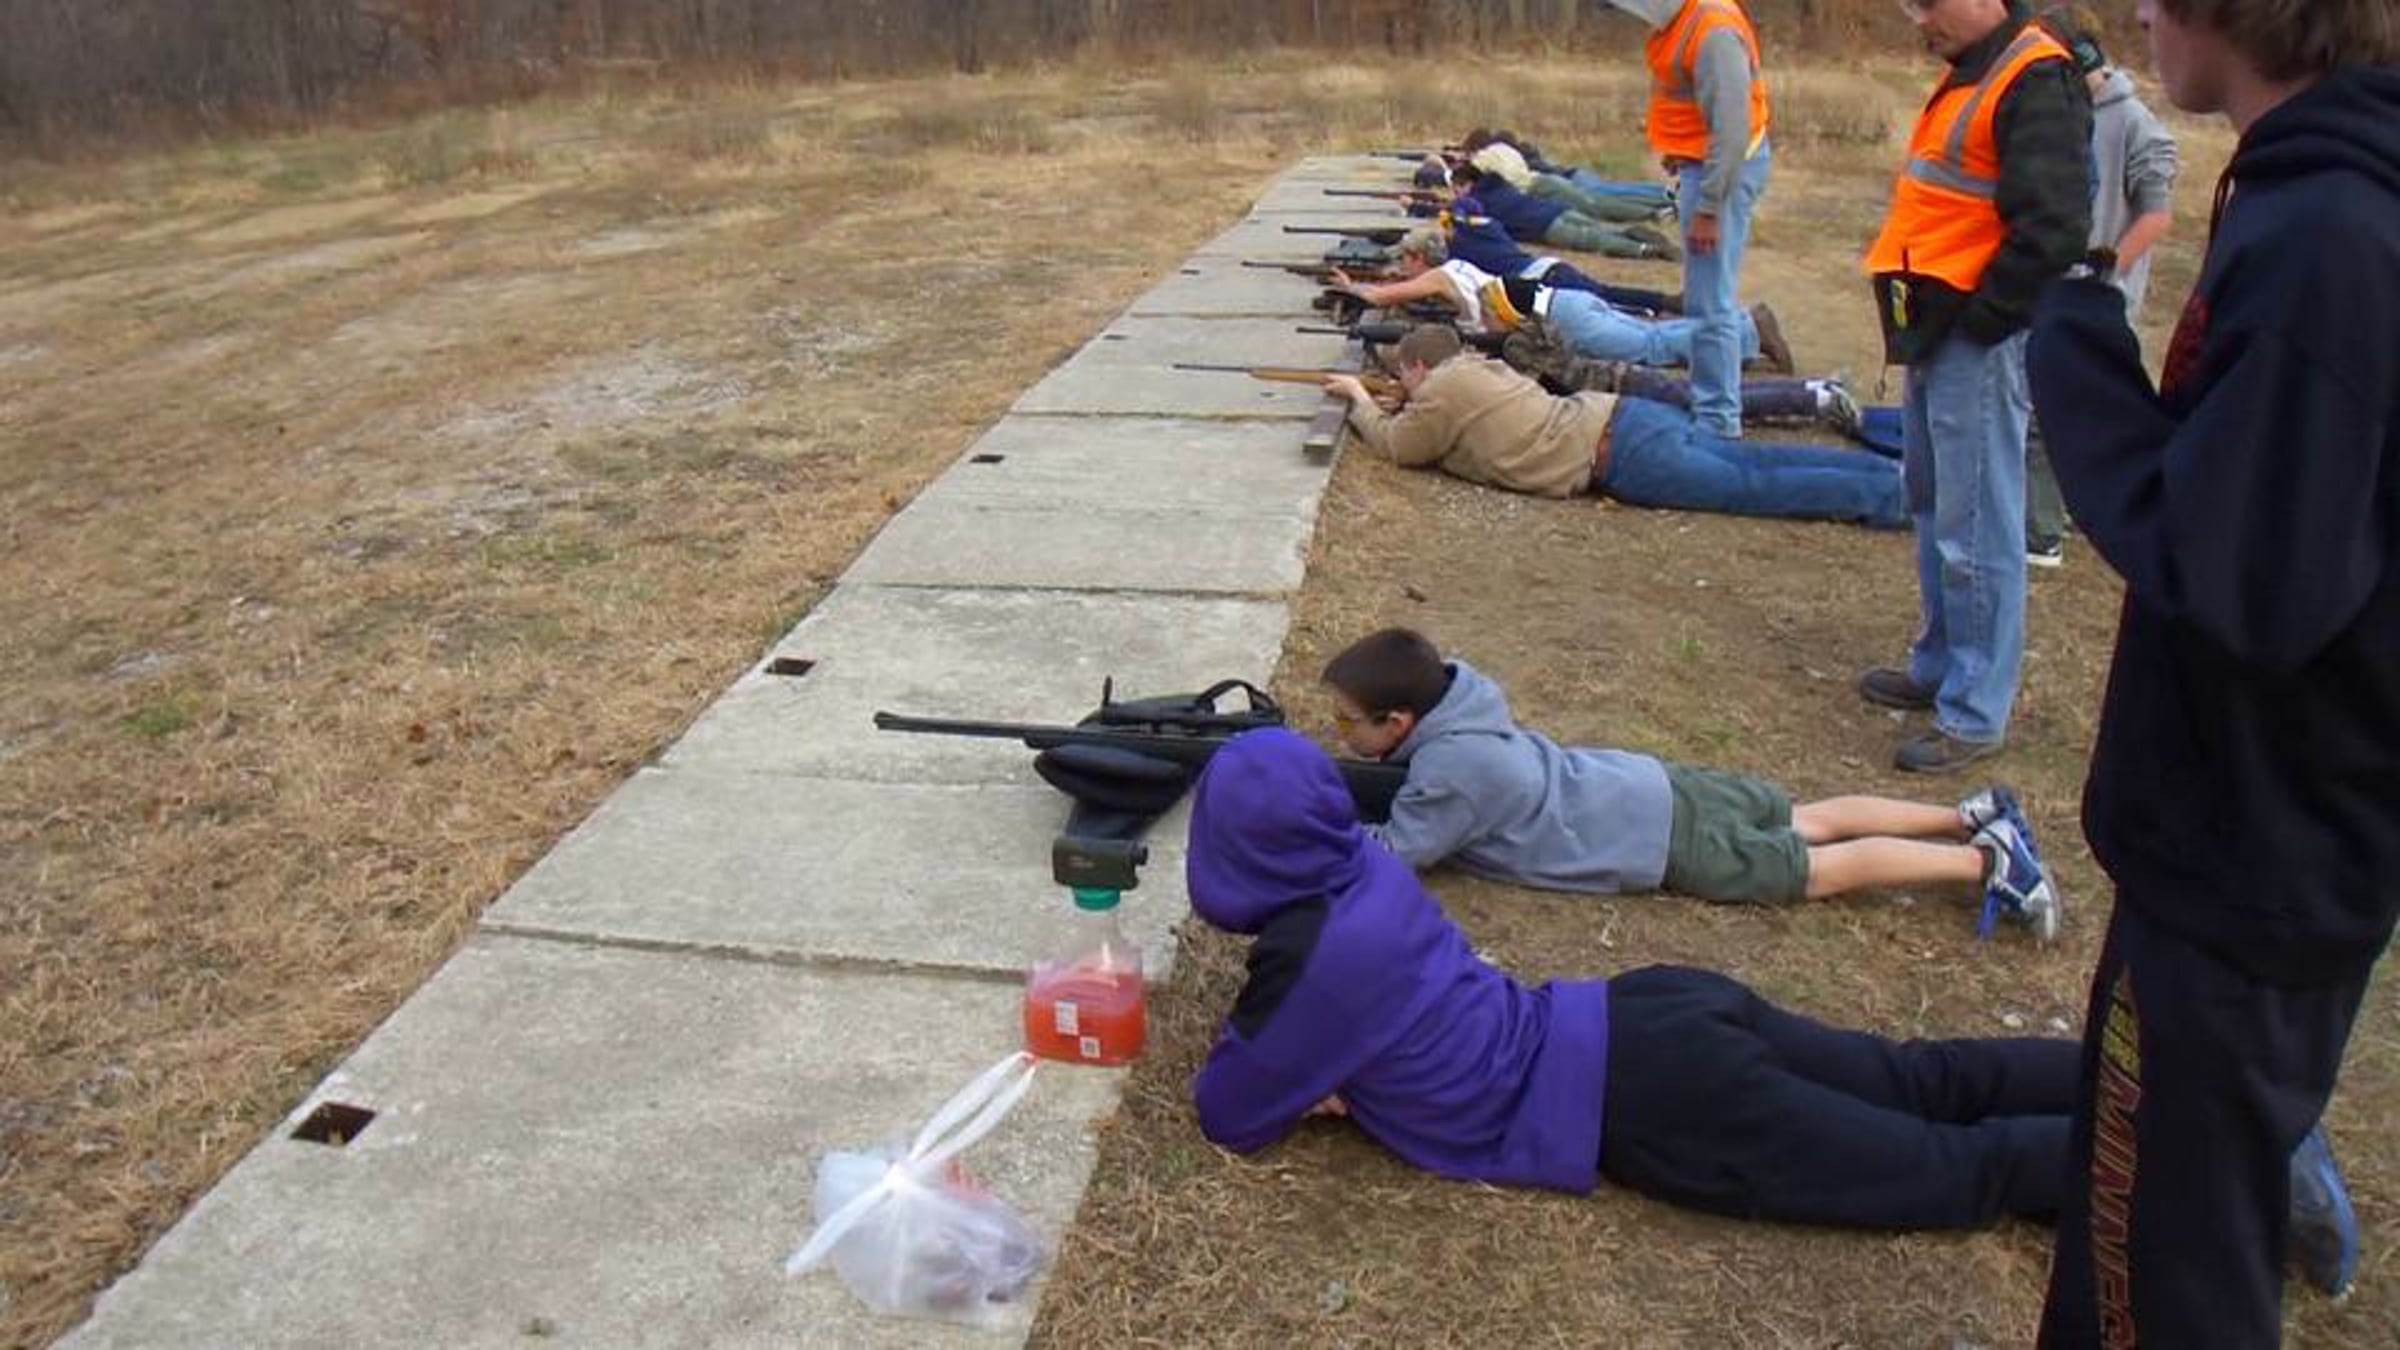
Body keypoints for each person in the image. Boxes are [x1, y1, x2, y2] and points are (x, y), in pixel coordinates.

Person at [1186, 731, 2358, 1270]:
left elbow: (1229, 1110)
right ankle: (2196, 1096)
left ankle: (2239, 1169)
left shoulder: (1314, 963)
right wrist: (1327, 1065)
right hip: (1650, 1011)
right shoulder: (1364, 872)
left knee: (1952, 1172)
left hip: (1644, 1100)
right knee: (1922, 1081)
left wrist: (1316, 1076)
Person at [2025, 0, 2398, 1338]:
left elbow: (2244, 567)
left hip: (2249, 858)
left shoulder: (2331, 238)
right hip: (2263, 835)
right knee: (2145, 1219)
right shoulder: (2314, 190)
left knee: (2162, 1267)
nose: (2140, 13)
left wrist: (2073, 345)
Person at [1320, 627, 2059, 935]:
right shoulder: (1463, 701)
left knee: (1815, 870)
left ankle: (1986, 863)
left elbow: (1395, 853)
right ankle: (1965, 815)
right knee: (1806, 818)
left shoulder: (1455, 771)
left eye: (1349, 722)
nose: (1340, 732)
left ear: (1400, 720)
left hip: (1657, 841)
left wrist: (1309, 827)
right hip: (1652, 786)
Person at [1857, 0, 2092, 773]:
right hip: (1937, 324)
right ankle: (1938, 666)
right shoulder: (1974, 69)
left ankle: (1974, 708)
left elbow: (2053, 229)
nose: (1917, 19)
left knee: (1977, 523)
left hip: (1975, 336)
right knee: (1932, 502)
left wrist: (1986, 320)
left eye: (1929, 3)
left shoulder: (2034, 75)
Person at [1325, 325, 1903, 528]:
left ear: (1418, 368)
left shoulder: (1441, 392)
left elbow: (1399, 446)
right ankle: (1896, 475)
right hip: (1625, 419)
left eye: (1405, 374)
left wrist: (1358, 397)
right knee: (1760, 462)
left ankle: (1899, 499)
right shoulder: (1474, 370)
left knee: (1757, 488)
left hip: (1622, 453)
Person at [2024, 10, 2182, 567]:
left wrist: (2105, 269)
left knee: (2048, 416)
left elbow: (2156, 215)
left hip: (2099, 296)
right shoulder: (2057, 115)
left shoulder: (2138, 125)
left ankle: (2040, 535)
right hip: (2048, 289)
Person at [1605, 0, 1773, 441]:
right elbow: (1696, 106)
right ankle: (1716, 406)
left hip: (1724, 171)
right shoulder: (1685, 21)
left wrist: (1709, 209)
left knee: (1708, 303)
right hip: (1705, 164)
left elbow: (1731, 132)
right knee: (1707, 299)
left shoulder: (1713, 31)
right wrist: (1681, 152)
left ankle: (1717, 422)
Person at [1330, 229, 1787, 372]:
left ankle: (1749, 331)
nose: (1401, 267)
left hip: (1559, 318)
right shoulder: (1459, 268)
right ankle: (1742, 328)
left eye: (1404, 260)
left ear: (1419, 259)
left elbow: (1382, 295)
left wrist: (1350, 287)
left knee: (1651, 347)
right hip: (1563, 303)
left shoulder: (1438, 277)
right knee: (1653, 334)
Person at [1450, 161, 1681, 261]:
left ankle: (1645, 250)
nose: (1456, 193)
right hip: (1554, 209)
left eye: (1457, 188)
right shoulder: (1500, 184)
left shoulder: (1477, 201)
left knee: (1594, 241)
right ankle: (1632, 233)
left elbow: (1464, 220)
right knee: (1599, 229)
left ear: (1467, 183)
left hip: (1542, 226)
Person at [1453, 129, 1674, 223]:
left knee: (1594, 205)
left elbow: (1469, 176)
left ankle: (1653, 213)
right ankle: (1658, 205)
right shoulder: (1504, 149)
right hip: (1545, 181)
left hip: (1539, 188)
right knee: (1597, 200)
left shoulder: (1482, 159)